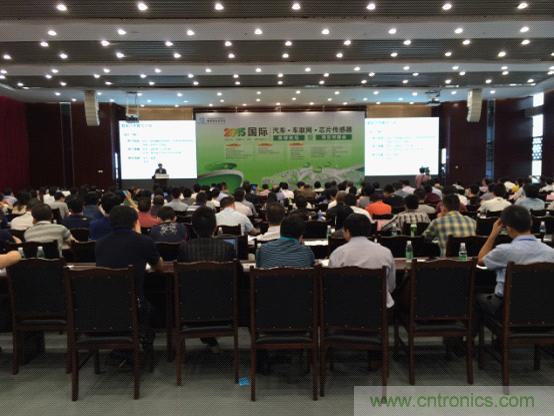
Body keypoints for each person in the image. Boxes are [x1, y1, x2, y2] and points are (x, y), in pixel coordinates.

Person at [95, 205, 163, 345]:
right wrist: (138, 234)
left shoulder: (99, 244)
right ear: (135, 221)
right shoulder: (143, 241)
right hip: (136, 303)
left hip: (105, 302)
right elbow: (159, 267)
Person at [476, 205, 554, 325]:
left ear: (508, 227)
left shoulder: (503, 251)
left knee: (476, 299)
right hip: (544, 311)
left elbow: (480, 260)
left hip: (509, 311)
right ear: (531, 223)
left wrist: (492, 234)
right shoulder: (551, 252)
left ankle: (472, 335)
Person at [177, 207, 235, 352]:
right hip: (225, 310)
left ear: (193, 228)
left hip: (190, 310)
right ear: (215, 227)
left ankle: (208, 340)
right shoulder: (227, 248)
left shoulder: (184, 248)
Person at [329, 214, 396, 308]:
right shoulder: (385, 252)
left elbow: (332, 285)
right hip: (379, 307)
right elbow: (391, 286)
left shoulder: (337, 254)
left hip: (346, 308)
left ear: (347, 232)